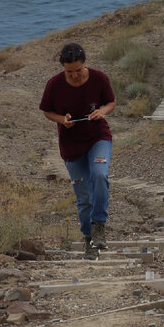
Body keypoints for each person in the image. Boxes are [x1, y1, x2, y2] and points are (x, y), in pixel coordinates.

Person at [39, 43, 116, 260]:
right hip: (71, 145)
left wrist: (102, 111)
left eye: (78, 71)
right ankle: (88, 240)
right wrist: (62, 120)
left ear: (85, 64)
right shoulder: (53, 84)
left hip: (97, 137)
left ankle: (99, 224)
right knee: (84, 197)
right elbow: (47, 111)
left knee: (100, 174)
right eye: (69, 72)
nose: (74, 75)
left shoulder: (100, 78)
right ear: (62, 68)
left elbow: (111, 102)